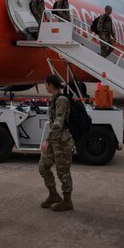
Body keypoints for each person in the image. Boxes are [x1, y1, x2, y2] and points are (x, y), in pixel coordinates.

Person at [39, 74, 74, 212]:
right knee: (43, 166)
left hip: (62, 142)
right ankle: (53, 195)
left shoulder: (62, 100)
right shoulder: (53, 99)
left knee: (63, 172)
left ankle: (67, 201)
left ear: (51, 85)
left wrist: (47, 140)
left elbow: (59, 122)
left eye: (46, 84)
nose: (45, 86)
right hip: (55, 141)